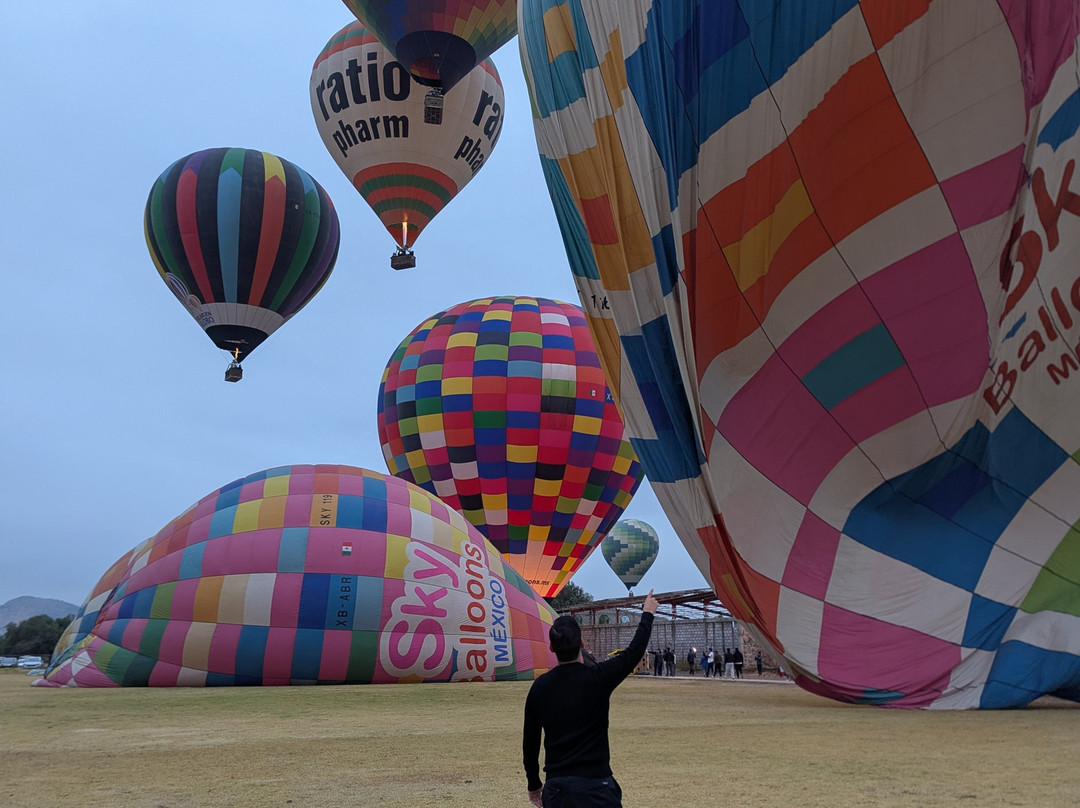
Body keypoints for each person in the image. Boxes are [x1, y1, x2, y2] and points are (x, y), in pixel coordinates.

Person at [523, 589, 659, 807]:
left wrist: (534, 784)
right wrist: (647, 614)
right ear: (582, 643)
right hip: (597, 786)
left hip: (558, 788)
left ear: (551, 647)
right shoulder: (598, 677)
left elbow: (530, 743)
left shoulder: (539, 688)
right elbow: (633, 652)